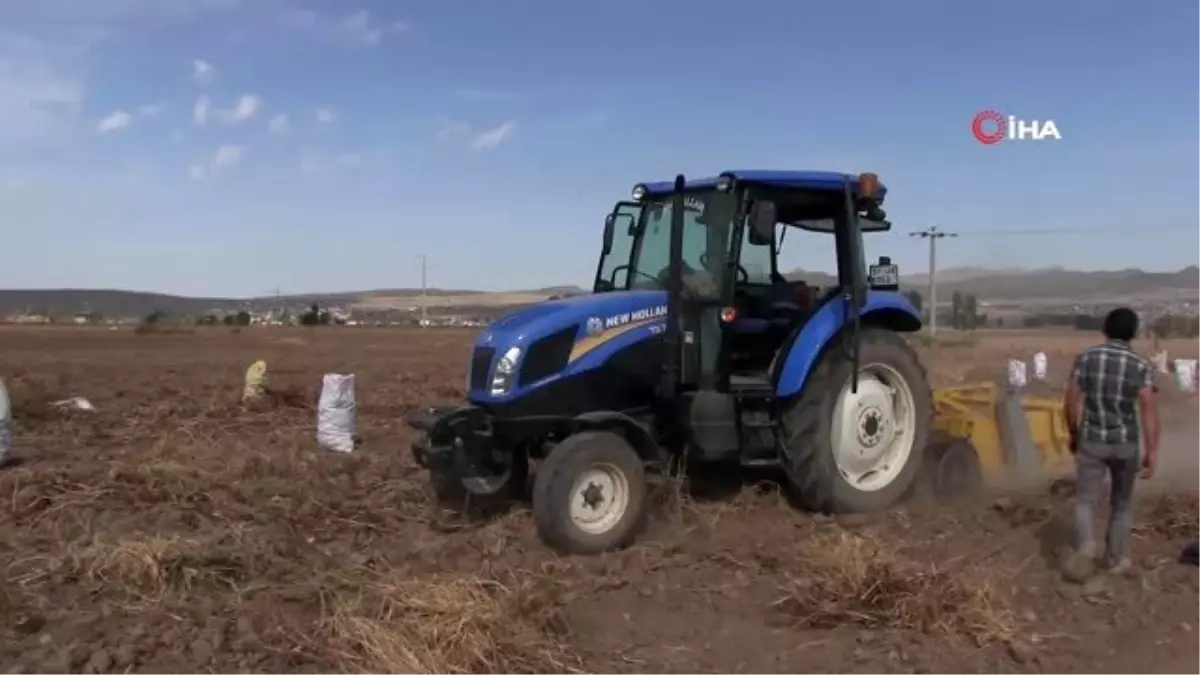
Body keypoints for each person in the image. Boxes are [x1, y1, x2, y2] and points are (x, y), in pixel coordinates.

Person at [1062, 307, 1159, 581]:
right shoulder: (1141, 365)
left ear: (1105, 329)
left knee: (1084, 500)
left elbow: (1071, 400)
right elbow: (1148, 410)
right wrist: (1151, 451)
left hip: (1092, 440)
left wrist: (1073, 433)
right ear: (1133, 333)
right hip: (1126, 444)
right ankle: (1114, 558)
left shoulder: (1087, 358)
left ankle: (1086, 545)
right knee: (1122, 504)